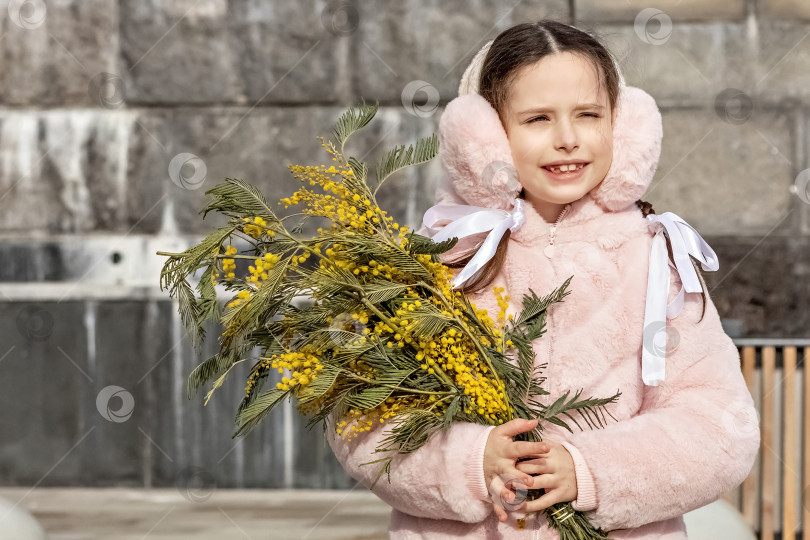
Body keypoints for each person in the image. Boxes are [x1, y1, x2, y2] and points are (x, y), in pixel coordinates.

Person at [326, 20, 760, 539]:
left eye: (589, 115)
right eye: (537, 119)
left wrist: (592, 470)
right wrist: (469, 460)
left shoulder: (658, 261)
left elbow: (719, 427)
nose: (568, 139)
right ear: (482, 136)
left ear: (623, 128)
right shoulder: (434, 261)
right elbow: (359, 421)